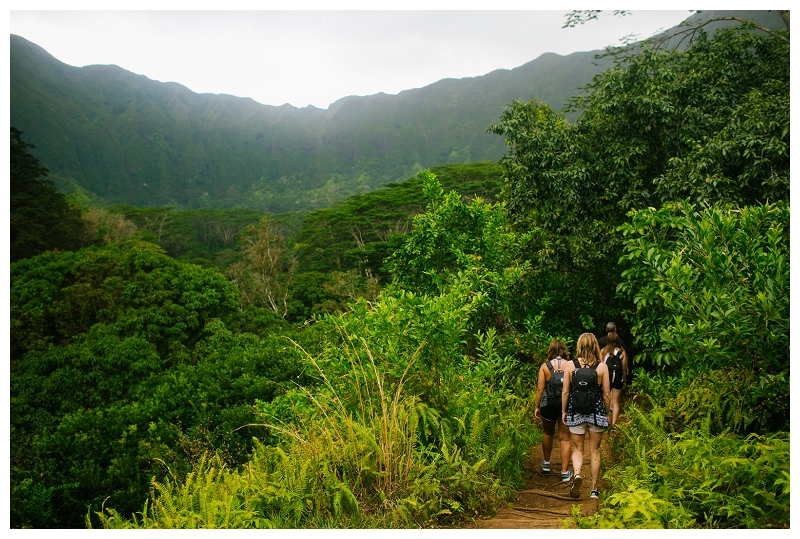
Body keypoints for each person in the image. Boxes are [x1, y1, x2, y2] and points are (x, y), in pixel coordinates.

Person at [561, 333, 611, 499]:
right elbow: (606, 394)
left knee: (578, 449)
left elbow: (566, 391)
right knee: (595, 450)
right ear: (596, 345)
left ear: (579, 345)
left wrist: (564, 411)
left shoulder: (570, 365)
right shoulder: (602, 367)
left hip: (576, 411)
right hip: (596, 413)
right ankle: (594, 490)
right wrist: (607, 412)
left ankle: (576, 474)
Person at [533, 340, 573, 482]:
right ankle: (564, 472)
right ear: (563, 350)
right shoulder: (570, 365)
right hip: (565, 405)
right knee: (564, 437)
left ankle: (547, 464)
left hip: (548, 404)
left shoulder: (545, 366)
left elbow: (540, 389)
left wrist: (537, 406)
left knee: (547, 432)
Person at [600, 331, 629, 429]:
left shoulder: (603, 351)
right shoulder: (622, 352)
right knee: (616, 402)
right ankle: (613, 425)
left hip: (606, 378)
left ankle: (606, 420)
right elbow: (624, 369)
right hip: (617, 379)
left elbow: (600, 366)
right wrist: (624, 381)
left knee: (605, 398)